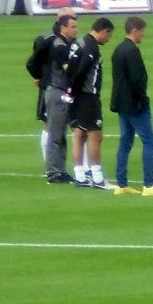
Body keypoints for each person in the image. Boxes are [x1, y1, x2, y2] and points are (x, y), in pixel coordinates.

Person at [110, 16, 153, 196]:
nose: (144, 35)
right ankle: (149, 184)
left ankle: (121, 185)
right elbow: (138, 79)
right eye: (142, 31)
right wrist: (143, 99)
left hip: (121, 104)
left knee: (125, 141)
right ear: (135, 30)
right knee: (149, 142)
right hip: (135, 105)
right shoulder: (132, 51)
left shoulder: (119, 49)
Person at [67, 17, 116, 189]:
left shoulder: (78, 42)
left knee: (79, 135)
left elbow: (69, 68)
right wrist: (75, 90)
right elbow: (82, 70)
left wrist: (70, 91)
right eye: (109, 36)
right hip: (88, 96)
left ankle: (80, 176)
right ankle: (97, 178)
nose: (108, 39)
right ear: (103, 31)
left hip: (75, 97)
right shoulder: (91, 47)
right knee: (95, 135)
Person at [25, 7, 75, 167]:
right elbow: (32, 62)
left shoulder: (70, 40)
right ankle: (51, 166)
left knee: (62, 126)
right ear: (60, 22)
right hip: (51, 88)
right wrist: (40, 78)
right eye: (70, 20)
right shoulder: (47, 40)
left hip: (63, 88)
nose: (74, 23)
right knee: (50, 124)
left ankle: (58, 166)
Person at [41, 14, 78, 184]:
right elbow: (68, 69)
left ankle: (61, 170)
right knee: (55, 134)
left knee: (61, 133)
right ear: (63, 28)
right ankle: (53, 172)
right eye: (72, 27)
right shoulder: (59, 45)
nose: (75, 30)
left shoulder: (67, 44)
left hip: (63, 92)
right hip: (57, 92)